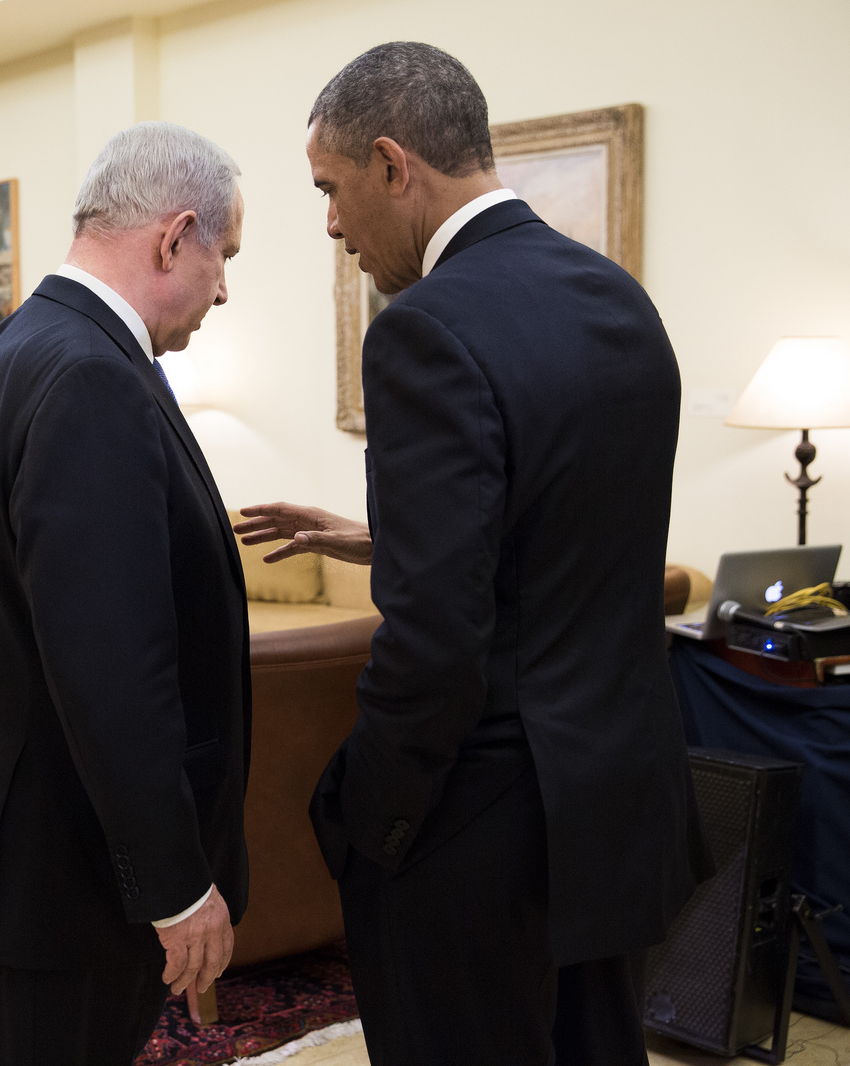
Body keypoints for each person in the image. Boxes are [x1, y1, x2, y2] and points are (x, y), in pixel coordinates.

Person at [235, 42, 710, 1065]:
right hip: (618, 799)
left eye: (329, 189)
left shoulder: (424, 330)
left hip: (481, 829)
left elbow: (435, 641)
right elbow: (573, 528)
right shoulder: (619, 300)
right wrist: (383, 537)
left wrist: (376, 817)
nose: (329, 224)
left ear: (393, 165)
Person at [0, 122, 251, 1065]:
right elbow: (110, 666)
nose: (224, 287)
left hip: (28, 852)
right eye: (224, 255)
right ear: (175, 236)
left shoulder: (27, 342)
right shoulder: (93, 375)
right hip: (67, 869)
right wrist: (177, 887)